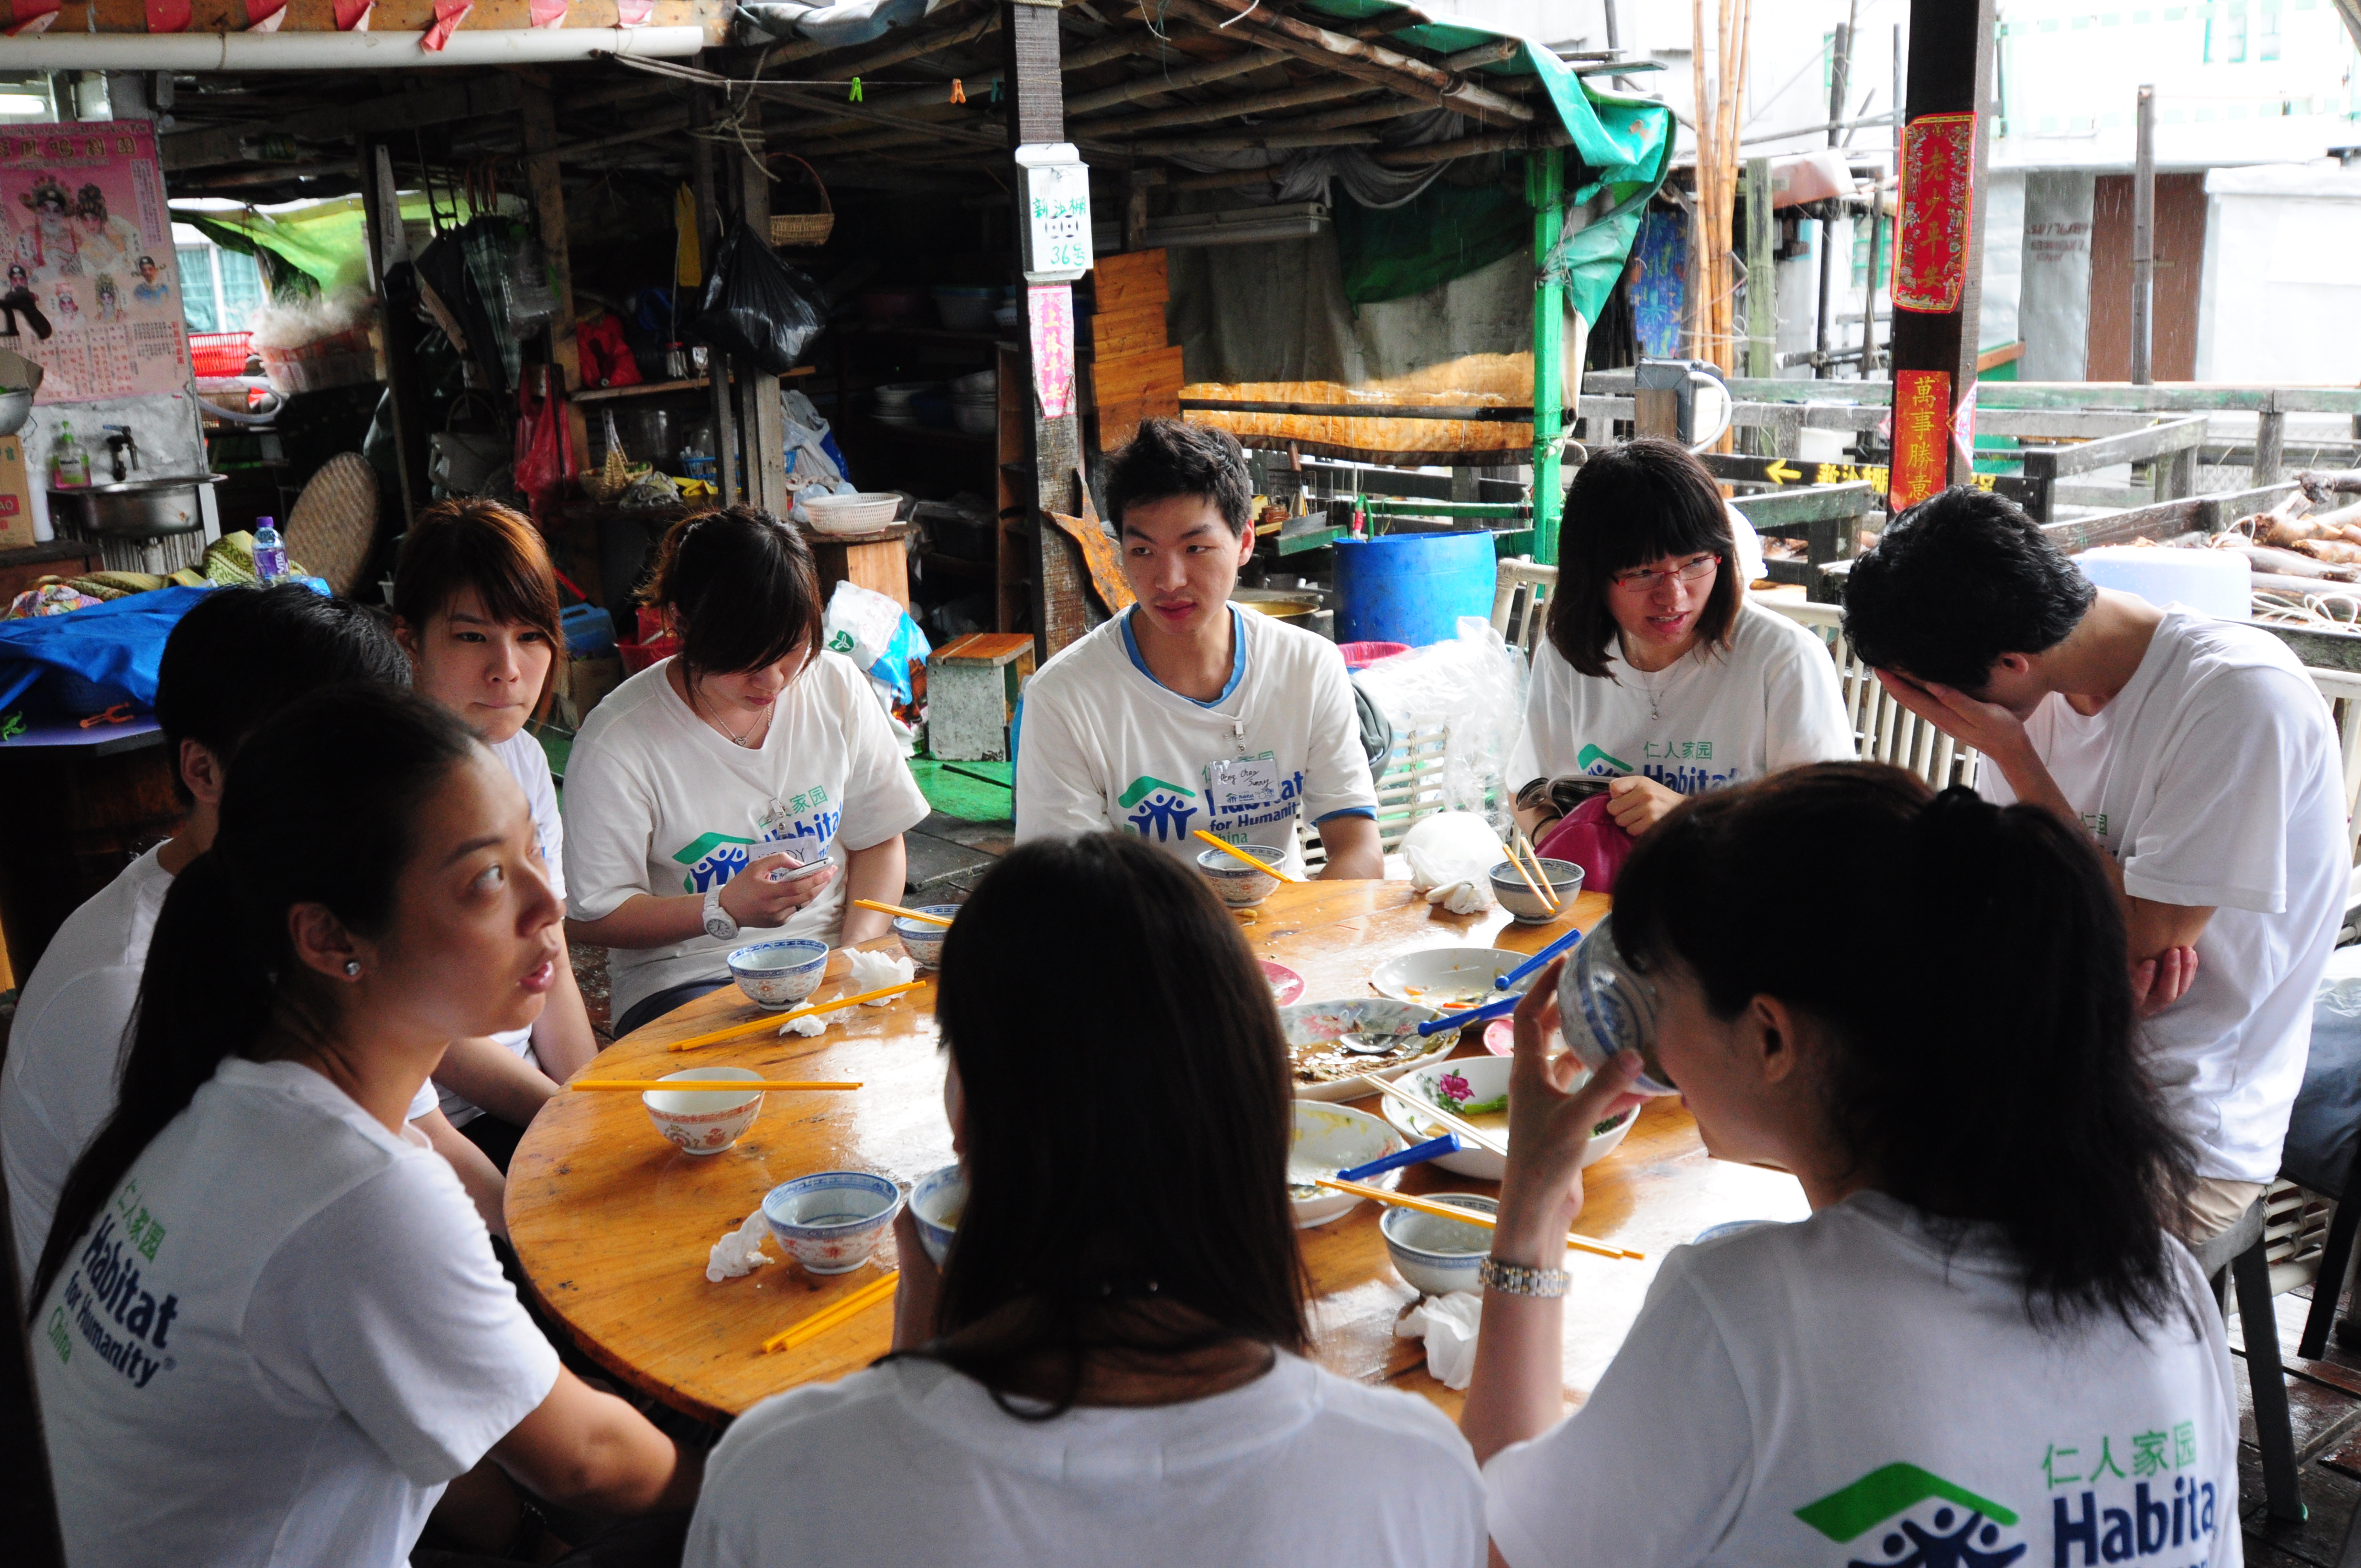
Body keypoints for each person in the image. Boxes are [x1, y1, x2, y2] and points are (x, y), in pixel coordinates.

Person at [1464, 764, 2239, 1567]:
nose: (1648, 1038)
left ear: (1771, 1036)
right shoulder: (2169, 1288)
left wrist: (1529, 1212)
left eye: (1661, 995)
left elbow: (1485, 1546)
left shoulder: (1746, 1313)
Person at [26, 688, 699, 1565]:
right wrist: (772, 1470)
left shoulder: (228, 1098)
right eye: (488, 878)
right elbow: (588, 1462)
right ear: (329, 938)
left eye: (533, 851)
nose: (548, 906)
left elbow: (414, 1401)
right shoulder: (360, 1191)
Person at [684, 832, 1483, 1567]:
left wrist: (915, 1367)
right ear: (1266, 1117)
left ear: (965, 1116)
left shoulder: (784, 1476)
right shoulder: (1407, 1475)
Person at [1842, 487, 2346, 1245]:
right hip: (2035, 1067)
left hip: (2179, 1129)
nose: (1935, 713)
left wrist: (2013, 756)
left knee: (1921, 1254)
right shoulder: (2030, 679)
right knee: (1823, 1170)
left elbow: (2134, 940)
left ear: (2011, 662)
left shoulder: (2239, 699)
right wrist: (2066, 983)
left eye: (1932, 697)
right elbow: (2010, 914)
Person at [1, 585, 504, 1299]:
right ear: (203, 771)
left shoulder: (307, 897)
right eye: (319, 766)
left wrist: (546, 1254)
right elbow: (219, 1265)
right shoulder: (116, 991)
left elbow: (432, 1140)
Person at [564, 507, 930, 1038]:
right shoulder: (619, 740)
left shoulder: (834, 686)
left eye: (792, 652)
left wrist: (855, 957)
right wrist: (722, 906)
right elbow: (594, 916)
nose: (773, 681)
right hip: (691, 978)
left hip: (831, 954)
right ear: (681, 623)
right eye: (744, 659)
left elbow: (879, 841)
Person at [1014, 420, 1383, 879]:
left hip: (1283, 938)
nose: (1169, 581)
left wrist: (1290, 941)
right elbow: (1066, 889)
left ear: (1245, 542)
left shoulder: (1308, 666)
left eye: (1196, 548)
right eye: (1143, 552)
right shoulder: (1064, 698)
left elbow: (1358, 852)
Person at [392, 499, 600, 1170]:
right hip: (434, 1126)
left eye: (532, 635)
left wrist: (596, 1107)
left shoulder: (523, 758)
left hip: (533, 1094)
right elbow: (435, 1041)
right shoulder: (386, 794)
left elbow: (553, 956)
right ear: (409, 641)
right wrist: (567, 1119)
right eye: (472, 636)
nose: (508, 669)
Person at [1510, 439, 1853, 845]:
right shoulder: (1570, 654)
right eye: (1641, 572)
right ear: (1591, 575)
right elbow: (1528, 788)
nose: (1673, 596)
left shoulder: (1783, 660)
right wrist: (1564, 841)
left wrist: (1689, 818)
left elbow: (1833, 827)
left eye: (1694, 563)